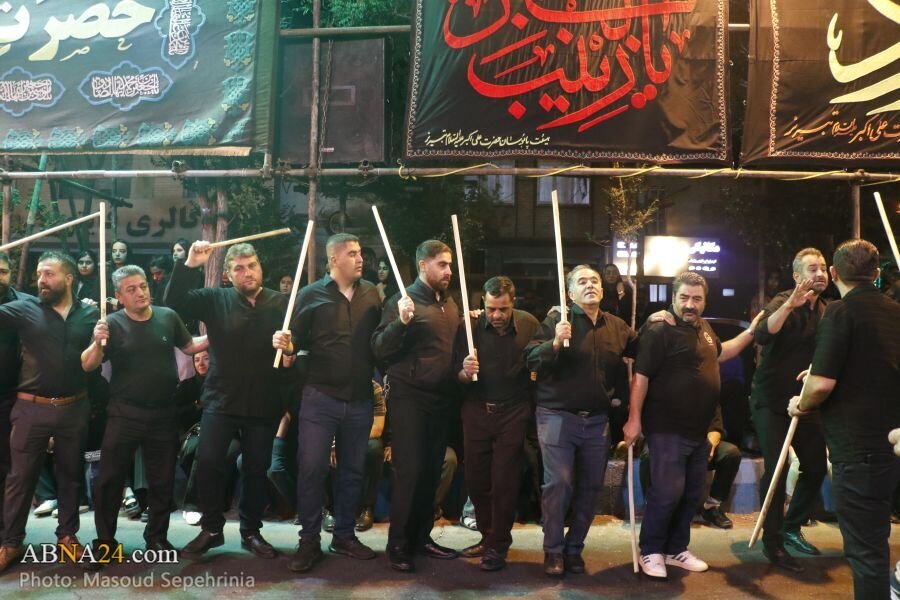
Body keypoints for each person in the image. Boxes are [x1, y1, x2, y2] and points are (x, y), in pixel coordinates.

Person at [623, 272, 760, 580]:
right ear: (673, 297)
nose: (690, 304)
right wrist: (633, 419)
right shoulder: (660, 329)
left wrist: (752, 330)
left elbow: (722, 352)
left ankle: (676, 549)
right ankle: (651, 551)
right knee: (667, 493)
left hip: (700, 430)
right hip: (667, 427)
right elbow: (641, 377)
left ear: (704, 301)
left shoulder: (705, 329)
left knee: (690, 494)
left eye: (696, 299)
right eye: (684, 297)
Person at [788, 239, 900, 600]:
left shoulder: (839, 311)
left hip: (858, 449)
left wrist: (802, 404)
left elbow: (821, 384)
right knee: (878, 539)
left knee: (866, 551)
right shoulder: (895, 312)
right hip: (893, 444)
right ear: (877, 272)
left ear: (835, 273)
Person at [164, 242, 289, 559]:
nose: (248, 272)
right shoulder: (214, 299)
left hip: (263, 400)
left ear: (260, 267)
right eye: (239, 268)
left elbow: (297, 344)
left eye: (252, 265)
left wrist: (289, 345)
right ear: (228, 275)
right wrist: (189, 264)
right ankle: (211, 529)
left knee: (256, 470)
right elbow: (174, 303)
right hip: (221, 398)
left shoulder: (280, 302)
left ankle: (251, 531)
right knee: (207, 463)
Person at [81, 265, 207, 559]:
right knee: (109, 480)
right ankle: (105, 542)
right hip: (123, 413)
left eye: (143, 286)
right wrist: (97, 342)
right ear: (119, 296)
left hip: (163, 413)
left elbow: (190, 346)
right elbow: (87, 364)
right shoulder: (110, 324)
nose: (140, 292)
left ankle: (157, 538)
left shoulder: (167, 316)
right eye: (131, 289)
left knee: (162, 480)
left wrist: (220, 334)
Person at [277, 233, 382, 573]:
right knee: (311, 469)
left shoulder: (371, 293)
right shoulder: (310, 295)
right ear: (334, 259)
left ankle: (344, 536)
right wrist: (287, 345)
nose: (360, 258)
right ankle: (309, 540)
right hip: (319, 397)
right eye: (352, 253)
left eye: (360, 252)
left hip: (360, 398)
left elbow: (380, 339)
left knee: (353, 471)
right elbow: (295, 343)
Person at [526, 264, 637, 577]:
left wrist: (660, 321)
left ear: (601, 289)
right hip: (557, 416)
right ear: (569, 293)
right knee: (558, 483)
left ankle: (574, 549)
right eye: (582, 281)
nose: (590, 285)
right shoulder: (556, 321)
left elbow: (644, 349)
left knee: (591, 487)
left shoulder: (616, 326)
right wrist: (554, 343)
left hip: (597, 420)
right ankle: (553, 551)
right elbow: (531, 360)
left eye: (594, 281)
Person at [0, 252, 99, 571]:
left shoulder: (90, 314)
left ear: (69, 278)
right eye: (39, 274)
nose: (41, 280)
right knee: (19, 478)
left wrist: (101, 338)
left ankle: (67, 537)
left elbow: (93, 360)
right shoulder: (25, 308)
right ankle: (10, 542)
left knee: (71, 477)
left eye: (49, 274)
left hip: (75, 407)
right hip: (30, 408)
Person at [372, 239, 461, 573]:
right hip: (409, 398)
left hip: (441, 398)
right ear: (423, 265)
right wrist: (401, 322)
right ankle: (398, 544)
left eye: (450, 265)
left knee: (431, 471)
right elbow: (379, 349)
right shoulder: (402, 300)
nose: (449, 271)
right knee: (409, 473)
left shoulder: (449, 303)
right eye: (442, 264)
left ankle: (422, 538)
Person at [750, 248, 830, 571]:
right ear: (797, 276)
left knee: (816, 466)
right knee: (778, 469)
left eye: (823, 267)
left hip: (804, 403)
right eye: (813, 268)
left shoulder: (827, 310)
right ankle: (773, 544)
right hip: (770, 401)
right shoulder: (783, 299)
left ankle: (791, 526)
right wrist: (788, 306)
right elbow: (761, 334)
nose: (820, 273)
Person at [456, 276, 541, 571]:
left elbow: (541, 360)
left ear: (513, 303)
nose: (496, 316)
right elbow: (456, 377)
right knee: (476, 480)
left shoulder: (529, 324)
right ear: (483, 303)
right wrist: (465, 371)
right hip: (476, 410)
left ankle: (498, 545)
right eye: (491, 309)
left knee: (505, 481)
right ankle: (487, 536)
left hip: (513, 412)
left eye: (503, 309)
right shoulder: (468, 328)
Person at [639, 405, 743, 530]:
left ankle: (711, 507)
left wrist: (709, 448)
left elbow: (715, 427)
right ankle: (654, 510)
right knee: (649, 454)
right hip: (667, 443)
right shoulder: (664, 394)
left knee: (730, 453)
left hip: (698, 444)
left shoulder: (707, 393)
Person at [0, 253, 34, 555]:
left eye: (2, 271)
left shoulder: (26, 305)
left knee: (11, 470)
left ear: (11, 273)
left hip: (14, 398)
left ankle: (8, 536)